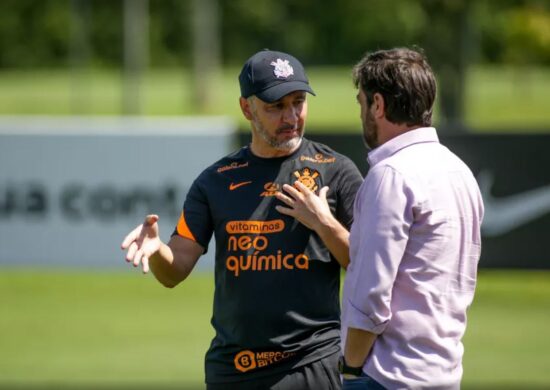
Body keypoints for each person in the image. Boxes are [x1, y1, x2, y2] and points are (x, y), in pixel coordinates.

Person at [121, 49, 363, 390]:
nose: (291, 116)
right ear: (246, 108)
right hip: (232, 370)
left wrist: (323, 222)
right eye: (275, 106)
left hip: (311, 364)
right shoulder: (214, 180)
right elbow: (174, 271)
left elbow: (366, 263)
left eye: (298, 102)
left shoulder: (337, 171)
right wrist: (158, 249)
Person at [339, 48, 484, 389]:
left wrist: (350, 369)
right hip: (444, 372)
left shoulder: (391, 174)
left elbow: (370, 294)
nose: (362, 113)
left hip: (386, 375)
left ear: (378, 104)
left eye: (362, 102)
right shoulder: (459, 171)